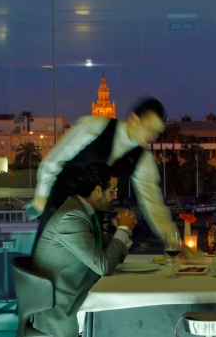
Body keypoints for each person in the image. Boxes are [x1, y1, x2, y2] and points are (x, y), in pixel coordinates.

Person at [28, 96, 178, 251]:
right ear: (134, 119)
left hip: (93, 223)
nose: (152, 136)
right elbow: (55, 159)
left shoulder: (143, 159)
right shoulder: (95, 125)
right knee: (49, 264)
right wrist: (42, 194)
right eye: (150, 128)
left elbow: (154, 205)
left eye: (157, 133)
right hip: (60, 209)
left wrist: (174, 242)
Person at [32, 162, 137, 337]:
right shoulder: (72, 217)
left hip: (79, 297)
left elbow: (109, 257)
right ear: (97, 190)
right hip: (64, 311)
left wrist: (125, 233)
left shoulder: (83, 213)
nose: (114, 197)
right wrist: (123, 230)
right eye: (112, 191)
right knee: (131, 320)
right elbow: (103, 266)